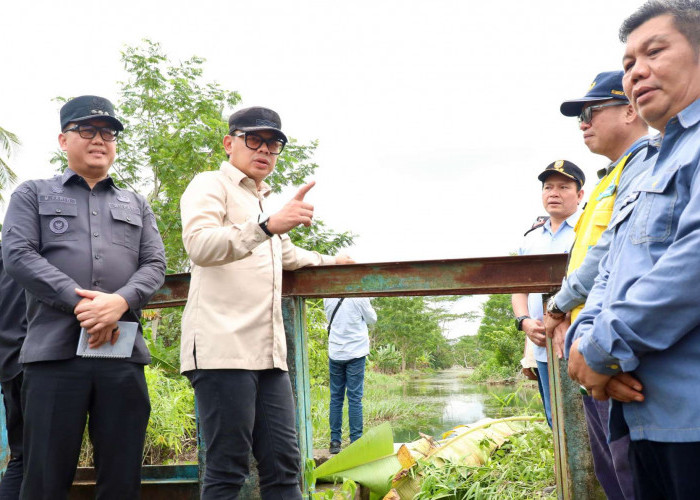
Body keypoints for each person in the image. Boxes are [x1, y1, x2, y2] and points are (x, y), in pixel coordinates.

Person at [179, 106, 353, 499]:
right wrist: (267, 225)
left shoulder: (261, 200)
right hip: (222, 349)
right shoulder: (210, 185)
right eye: (253, 139)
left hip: (268, 354)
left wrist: (333, 263)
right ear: (229, 143)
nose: (264, 149)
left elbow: (287, 256)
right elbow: (200, 245)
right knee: (227, 468)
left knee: (283, 465)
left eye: (273, 143)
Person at [1, 95, 167, 499]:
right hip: (54, 357)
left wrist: (120, 302)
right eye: (87, 130)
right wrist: (81, 304)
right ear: (63, 139)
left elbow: (154, 264)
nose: (100, 139)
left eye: (108, 132)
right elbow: (17, 254)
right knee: (44, 477)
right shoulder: (32, 194)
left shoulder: (136, 203)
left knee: (122, 477)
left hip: (121, 356)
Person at [567, 1, 700, 498]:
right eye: (627, 64)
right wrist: (585, 344)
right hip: (643, 413)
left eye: (655, 51)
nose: (637, 71)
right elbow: (609, 267)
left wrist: (603, 351)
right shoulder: (649, 165)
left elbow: (690, 267)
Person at [543, 70, 651, 500]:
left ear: (629, 110)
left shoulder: (646, 167)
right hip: (591, 343)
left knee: (632, 471)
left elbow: (610, 256)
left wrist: (557, 306)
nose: (582, 122)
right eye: (579, 116)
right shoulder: (610, 179)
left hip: (615, 346)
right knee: (612, 468)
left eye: (591, 111)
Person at [511, 160, 584, 427]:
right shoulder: (530, 239)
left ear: (579, 195)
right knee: (556, 420)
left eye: (563, 187)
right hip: (542, 345)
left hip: (579, 341)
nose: (553, 193)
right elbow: (519, 288)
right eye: (548, 187)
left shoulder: (587, 230)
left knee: (587, 425)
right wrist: (525, 322)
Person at [323, 297, 377, 454]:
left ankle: (335, 442)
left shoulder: (327, 297)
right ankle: (356, 441)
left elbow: (331, 318)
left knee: (336, 399)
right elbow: (372, 318)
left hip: (336, 353)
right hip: (356, 353)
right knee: (354, 398)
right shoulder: (359, 297)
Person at [0, 241, 27, 499]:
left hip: (9, 363)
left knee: (22, 457)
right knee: (39, 460)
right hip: (34, 361)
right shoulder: (36, 250)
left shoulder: (7, 253)